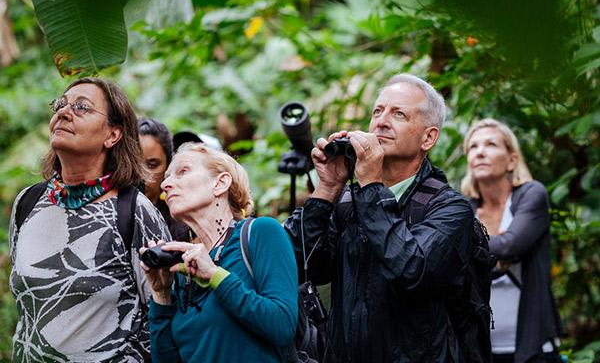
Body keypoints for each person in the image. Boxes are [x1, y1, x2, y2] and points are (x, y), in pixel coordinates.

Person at [284, 73, 475, 362]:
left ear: (428, 137)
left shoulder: (450, 208)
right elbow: (301, 266)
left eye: (399, 114)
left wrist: (371, 186)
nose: (382, 121)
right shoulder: (350, 201)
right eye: (378, 111)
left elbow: (411, 270)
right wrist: (328, 187)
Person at [8, 77, 172, 362]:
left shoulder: (134, 211)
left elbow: (163, 311)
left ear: (113, 135)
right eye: (60, 104)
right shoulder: (28, 203)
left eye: (81, 107)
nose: (63, 112)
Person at [141, 142, 298, 363]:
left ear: (220, 183)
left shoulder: (261, 233)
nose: (165, 183)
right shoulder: (184, 267)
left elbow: (282, 326)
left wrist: (216, 276)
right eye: (166, 177)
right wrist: (162, 295)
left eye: (182, 171)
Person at [462, 118, 562, 363]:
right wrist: (496, 256)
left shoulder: (530, 194)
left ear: (512, 160)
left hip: (534, 347)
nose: (480, 152)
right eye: (473, 147)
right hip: (481, 349)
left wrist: (467, 248)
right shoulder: (464, 209)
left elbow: (511, 244)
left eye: (491, 144)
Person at [138, 117, 189, 241]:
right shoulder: (110, 211)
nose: (143, 174)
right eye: (136, 164)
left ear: (168, 166)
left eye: (152, 165)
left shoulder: (184, 214)